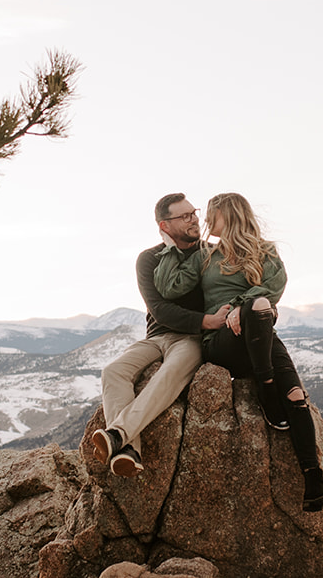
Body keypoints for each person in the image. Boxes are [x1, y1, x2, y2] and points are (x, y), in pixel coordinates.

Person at [153, 192, 323, 512]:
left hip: (259, 335)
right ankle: (266, 389)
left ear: (231, 215)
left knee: (295, 393)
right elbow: (169, 287)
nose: (206, 219)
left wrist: (242, 307)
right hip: (223, 344)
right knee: (259, 306)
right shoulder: (205, 255)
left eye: (212, 213)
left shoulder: (264, 251)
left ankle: (314, 484)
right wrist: (170, 247)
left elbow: (274, 285)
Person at [88, 193, 232, 476]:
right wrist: (207, 320)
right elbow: (160, 309)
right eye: (185, 216)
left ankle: (118, 435)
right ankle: (131, 450)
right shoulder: (149, 259)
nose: (194, 220)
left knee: (170, 372)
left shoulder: (212, 252)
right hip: (156, 336)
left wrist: (211, 323)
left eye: (194, 213)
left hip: (191, 338)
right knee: (113, 372)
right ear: (165, 226)